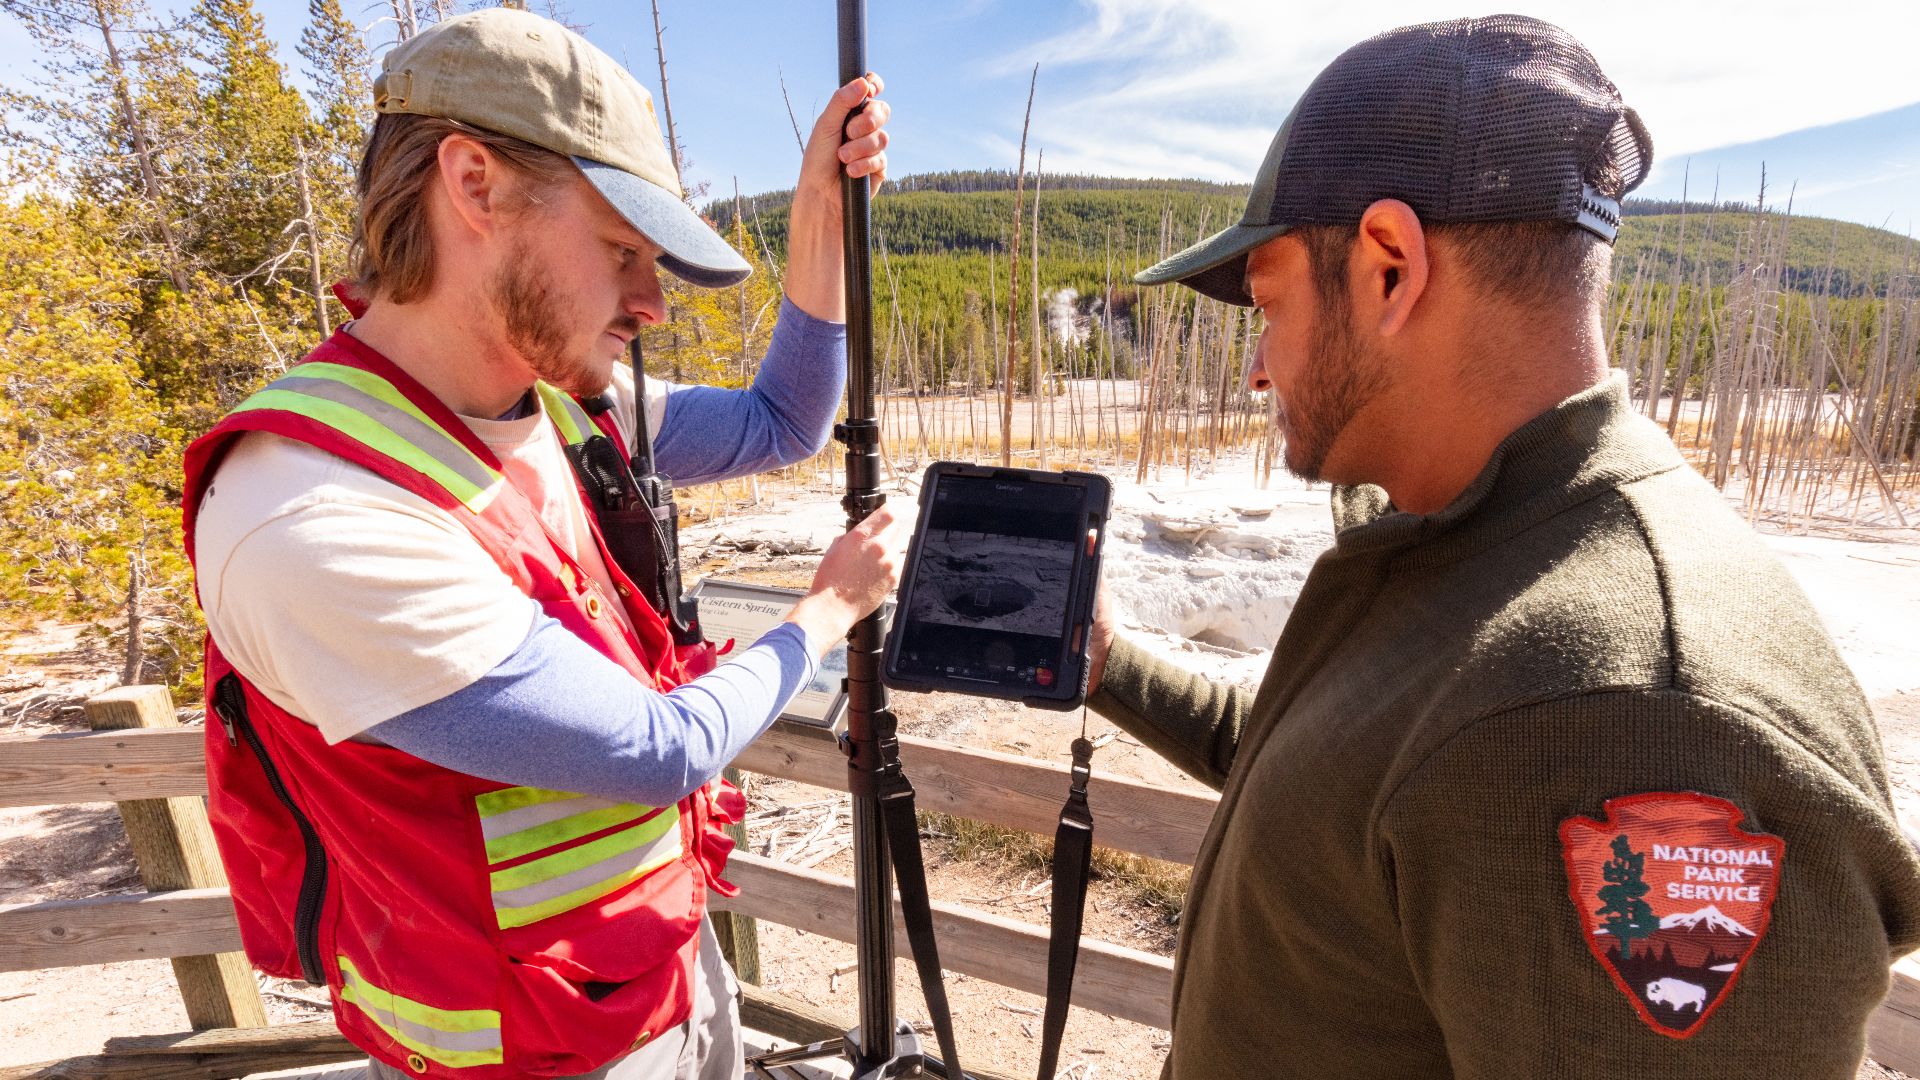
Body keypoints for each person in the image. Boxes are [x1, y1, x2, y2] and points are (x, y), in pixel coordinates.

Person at [1084, 15, 1920, 1078]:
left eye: (1269, 303)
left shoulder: (1627, 718)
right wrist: (1108, 668)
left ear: (1388, 267)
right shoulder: (1475, 548)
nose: (1257, 367)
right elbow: (1356, 774)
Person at [181, 9, 904, 1079]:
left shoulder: (564, 410)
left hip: (660, 974)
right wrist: (826, 612)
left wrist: (817, 210)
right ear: (473, 181)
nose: (655, 304)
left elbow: (781, 422)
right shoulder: (313, 514)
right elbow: (659, 752)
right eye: (622, 252)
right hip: (521, 1054)